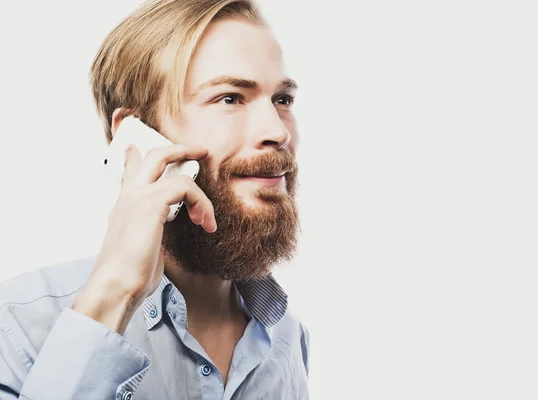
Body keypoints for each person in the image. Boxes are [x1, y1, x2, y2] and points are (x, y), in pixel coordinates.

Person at [0, 0, 310, 398]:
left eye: (282, 100)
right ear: (134, 135)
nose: (278, 131)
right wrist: (112, 297)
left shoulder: (286, 338)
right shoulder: (18, 327)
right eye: (230, 98)